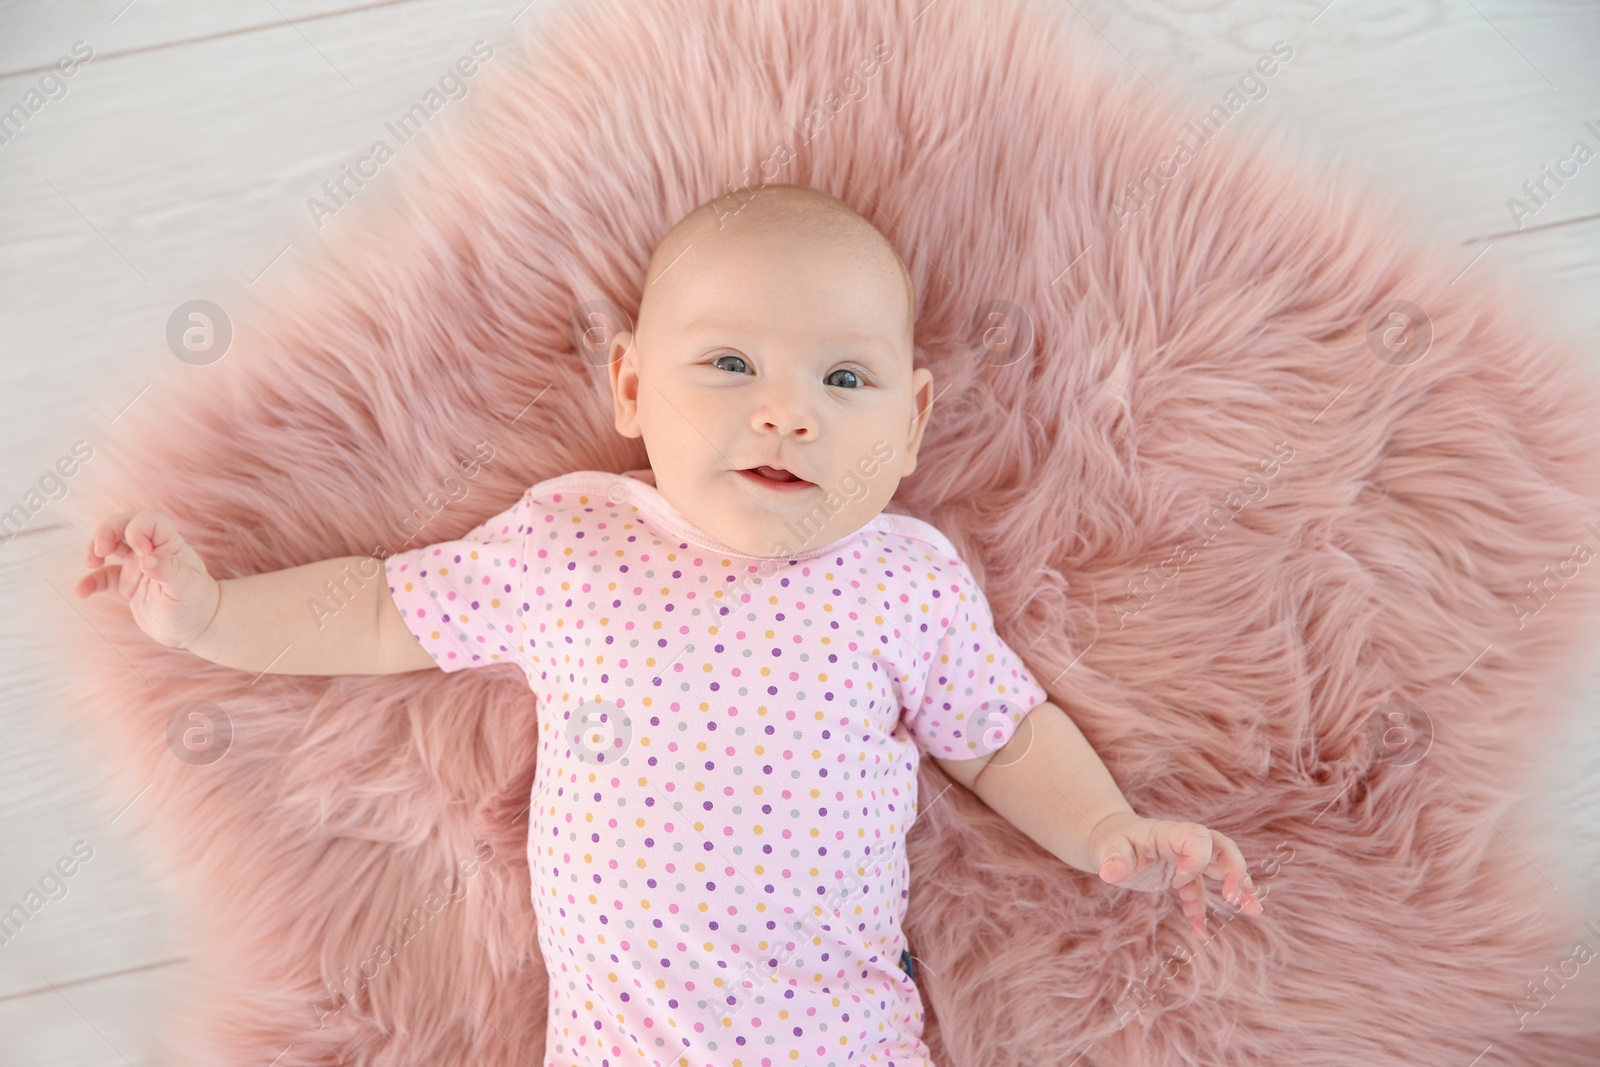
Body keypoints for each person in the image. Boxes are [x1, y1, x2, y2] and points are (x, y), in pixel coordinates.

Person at [77, 183, 1262, 1066]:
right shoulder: (572, 542)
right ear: (632, 387)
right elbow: (387, 609)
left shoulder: (904, 578)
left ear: (911, 421)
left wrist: (1105, 820)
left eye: (843, 381)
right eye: (732, 364)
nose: (787, 413)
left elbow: (1003, 737)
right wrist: (215, 613)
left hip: (842, 1039)